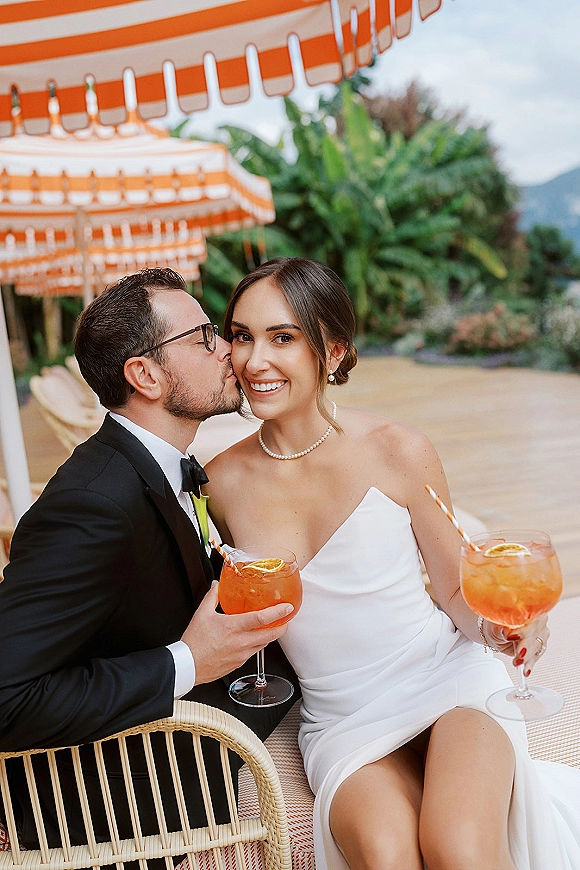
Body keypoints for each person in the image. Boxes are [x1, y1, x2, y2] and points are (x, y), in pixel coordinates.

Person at [204, 257, 580, 870]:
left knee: (459, 847)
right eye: (242, 336)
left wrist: (503, 626)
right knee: (386, 855)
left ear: (332, 352)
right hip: (342, 715)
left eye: (283, 338)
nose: (255, 360)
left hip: (448, 678)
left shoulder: (399, 451)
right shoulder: (219, 483)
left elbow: (460, 594)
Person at [0, 268, 298, 849]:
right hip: (123, 802)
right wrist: (187, 661)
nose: (228, 350)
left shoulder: (155, 465)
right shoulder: (92, 504)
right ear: (146, 375)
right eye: (204, 336)